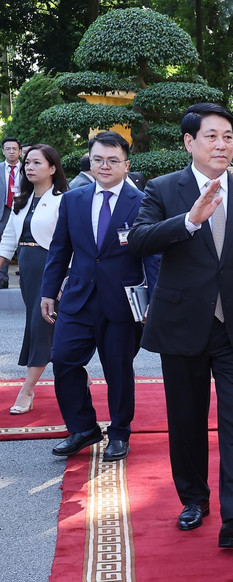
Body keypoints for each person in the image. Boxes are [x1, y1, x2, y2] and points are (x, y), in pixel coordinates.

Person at [127, 103, 233, 549]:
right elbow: (138, 240)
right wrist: (190, 220)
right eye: (211, 136)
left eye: (228, 136)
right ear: (189, 142)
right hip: (182, 324)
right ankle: (193, 499)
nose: (221, 144)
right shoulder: (161, 188)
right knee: (186, 420)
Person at [41, 131, 159, 461]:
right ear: (89, 162)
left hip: (121, 303)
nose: (104, 166)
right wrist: (48, 291)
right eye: (97, 160)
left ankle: (120, 432)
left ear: (126, 164)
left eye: (112, 160)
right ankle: (83, 428)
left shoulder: (143, 203)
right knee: (63, 359)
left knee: (118, 370)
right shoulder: (73, 200)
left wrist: (155, 301)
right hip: (77, 299)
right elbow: (60, 249)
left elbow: (152, 257)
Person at [0, 145, 68, 414]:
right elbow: (8, 238)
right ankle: (79, 372)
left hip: (51, 267)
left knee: (41, 327)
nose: (29, 167)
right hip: (28, 269)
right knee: (49, 326)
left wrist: (66, 277)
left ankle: (26, 390)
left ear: (52, 168)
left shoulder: (64, 199)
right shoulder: (22, 198)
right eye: (27, 163)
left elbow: (71, 242)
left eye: (36, 163)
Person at [1, 137, 22, 288]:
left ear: (20, 151)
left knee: (23, 245)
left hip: (22, 210)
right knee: (3, 245)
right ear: (3, 151)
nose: (11, 151)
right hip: (3, 212)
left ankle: (25, 279)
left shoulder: (28, 168)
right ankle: (2, 280)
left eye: (14, 149)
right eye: (8, 149)